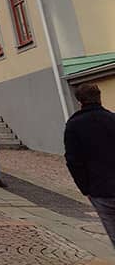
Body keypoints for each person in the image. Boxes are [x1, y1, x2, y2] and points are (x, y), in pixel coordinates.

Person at [64, 83, 115, 247]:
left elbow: (73, 161)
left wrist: (85, 188)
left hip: (100, 189)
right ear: (99, 98)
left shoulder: (74, 125)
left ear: (80, 102)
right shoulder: (113, 119)